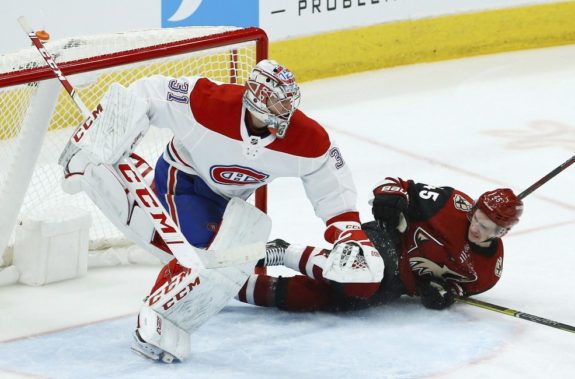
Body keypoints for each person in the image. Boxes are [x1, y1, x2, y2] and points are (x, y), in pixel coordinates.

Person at [61, 59, 383, 362]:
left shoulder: (304, 138)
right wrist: (115, 119)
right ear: (256, 101)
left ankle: (274, 253)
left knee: (227, 268)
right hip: (183, 180)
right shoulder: (209, 104)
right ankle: (157, 313)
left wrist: (348, 230)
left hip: (230, 202)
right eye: (276, 104)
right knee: (204, 255)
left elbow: (328, 172)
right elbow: (150, 93)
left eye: (287, 103)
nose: (285, 112)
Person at [237, 177, 523, 312]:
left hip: (398, 283)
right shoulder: (450, 204)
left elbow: (457, 289)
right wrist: (392, 198)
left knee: (337, 299)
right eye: (476, 218)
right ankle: (284, 252)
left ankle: (240, 288)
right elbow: (398, 183)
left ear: (503, 232)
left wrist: (443, 292)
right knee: (359, 276)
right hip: (386, 240)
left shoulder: (487, 273)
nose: (475, 228)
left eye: (486, 228)